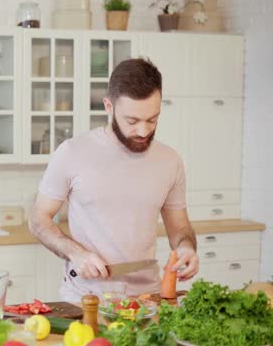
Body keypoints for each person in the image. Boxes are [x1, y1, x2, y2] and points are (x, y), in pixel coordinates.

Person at [29, 58, 199, 301]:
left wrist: (186, 247)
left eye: (152, 120)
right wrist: (76, 253)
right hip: (85, 298)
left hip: (148, 298)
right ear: (109, 106)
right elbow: (38, 219)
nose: (143, 131)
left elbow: (180, 227)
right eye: (132, 121)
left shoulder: (170, 161)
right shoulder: (72, 152)